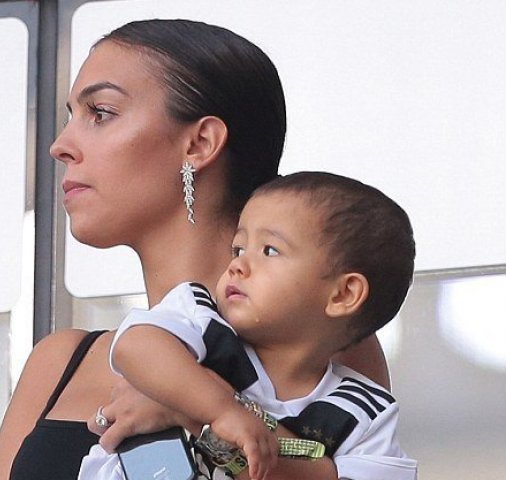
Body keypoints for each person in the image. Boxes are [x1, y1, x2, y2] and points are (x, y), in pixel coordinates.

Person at [0, 19, 391, 480]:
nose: (61, 145)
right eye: (69, 116)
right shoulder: (59, 362)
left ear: (199, 143)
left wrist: (201, 411)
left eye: (100, 112)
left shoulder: (324, 337)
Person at [78, 171, 418, 480]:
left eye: (269, 250)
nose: (239, 264)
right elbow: (134, 347)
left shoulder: (363, 412)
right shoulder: (200, 315)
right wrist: (220, 409)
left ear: (343, 294)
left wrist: (198, 416)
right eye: (238, 247)